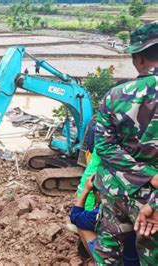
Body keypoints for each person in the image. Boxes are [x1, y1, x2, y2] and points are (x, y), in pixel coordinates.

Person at [92, 22, 158, 265]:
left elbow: (105, 147)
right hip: (153, 201)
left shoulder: (114, 96)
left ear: (137, 59)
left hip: (116, 190)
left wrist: (144, 175)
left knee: (108, 253)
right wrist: (152, 178)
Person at [70, 176, 139, 263]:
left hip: (120, 260)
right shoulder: (138, 204)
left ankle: (97, 261)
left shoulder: (102, 212)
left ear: (99, 193)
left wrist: (86, 190)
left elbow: (74, 216)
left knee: (82, 227)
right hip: (142, 257)